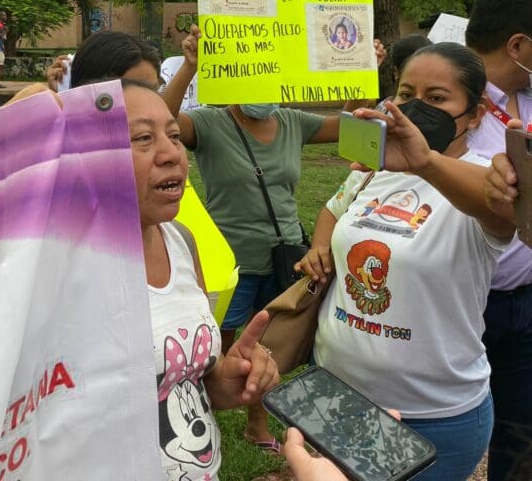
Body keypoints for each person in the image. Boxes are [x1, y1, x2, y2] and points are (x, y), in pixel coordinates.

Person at [299, 42, 515, 480]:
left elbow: (500, 210)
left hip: (431, 416)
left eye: (436, 99)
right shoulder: (374, 167)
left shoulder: (485, 177)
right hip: (336, 392)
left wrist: (425, 163)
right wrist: (320, 246)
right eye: (405, 93)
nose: (415, 108)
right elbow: (335, 209)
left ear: (474, 115)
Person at [163, 24, 378, 453]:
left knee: (270, 346)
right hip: (232, 264)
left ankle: (257, 423)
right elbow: (163, 121)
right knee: (218, 350)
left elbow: (355, 129)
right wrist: (189, 67)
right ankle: (201, 418)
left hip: (284, 258)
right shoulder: (209, 123)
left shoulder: (292, 122)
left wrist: (363, 69)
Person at [121, 79, 280, 480]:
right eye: (143, 138)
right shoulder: (58, 268)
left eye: (174, 136)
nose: (171, 153)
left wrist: (233, 379)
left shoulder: (180, 241)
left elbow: (193, 385)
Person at [464, 0, 532, 481]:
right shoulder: (441, 104)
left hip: (526, 303)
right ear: (519, 45)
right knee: (443, 429)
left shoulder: (528, 101)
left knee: (521, 430)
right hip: (460, 306)